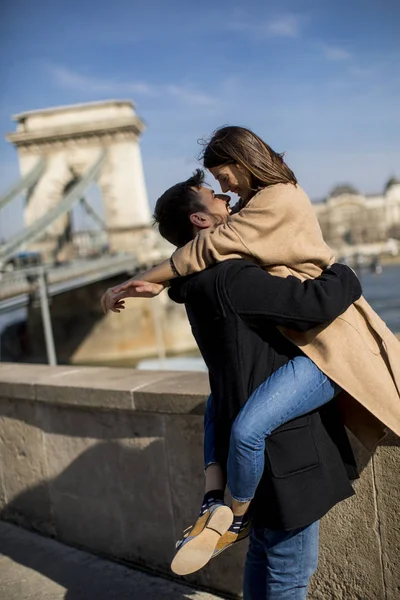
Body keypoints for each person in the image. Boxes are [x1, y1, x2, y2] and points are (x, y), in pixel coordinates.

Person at [101, 174, 362, 598]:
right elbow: (310, 306)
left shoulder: (192, 287)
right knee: (289, 573)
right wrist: (344, 273)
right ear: (202, 219)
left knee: (261, 556)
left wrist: (162, 281)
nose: (226, 197)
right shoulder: (232, 279)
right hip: (285, 454)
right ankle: (231, 516)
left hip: (245, 443)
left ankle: (221, 513)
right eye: (215, 195)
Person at [106, 126, 400, 458]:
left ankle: (223, 498)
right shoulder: (253, 209)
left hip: (328, 329)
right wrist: (156, 279)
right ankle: (222, 497)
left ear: (242, 159)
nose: (223, 189)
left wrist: (155, 279)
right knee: (229, 413)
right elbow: (211, 244)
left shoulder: (277, 198)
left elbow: (212, 244)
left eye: (221, 175)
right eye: (215, 183)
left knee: (240, 422)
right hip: (311, 324)